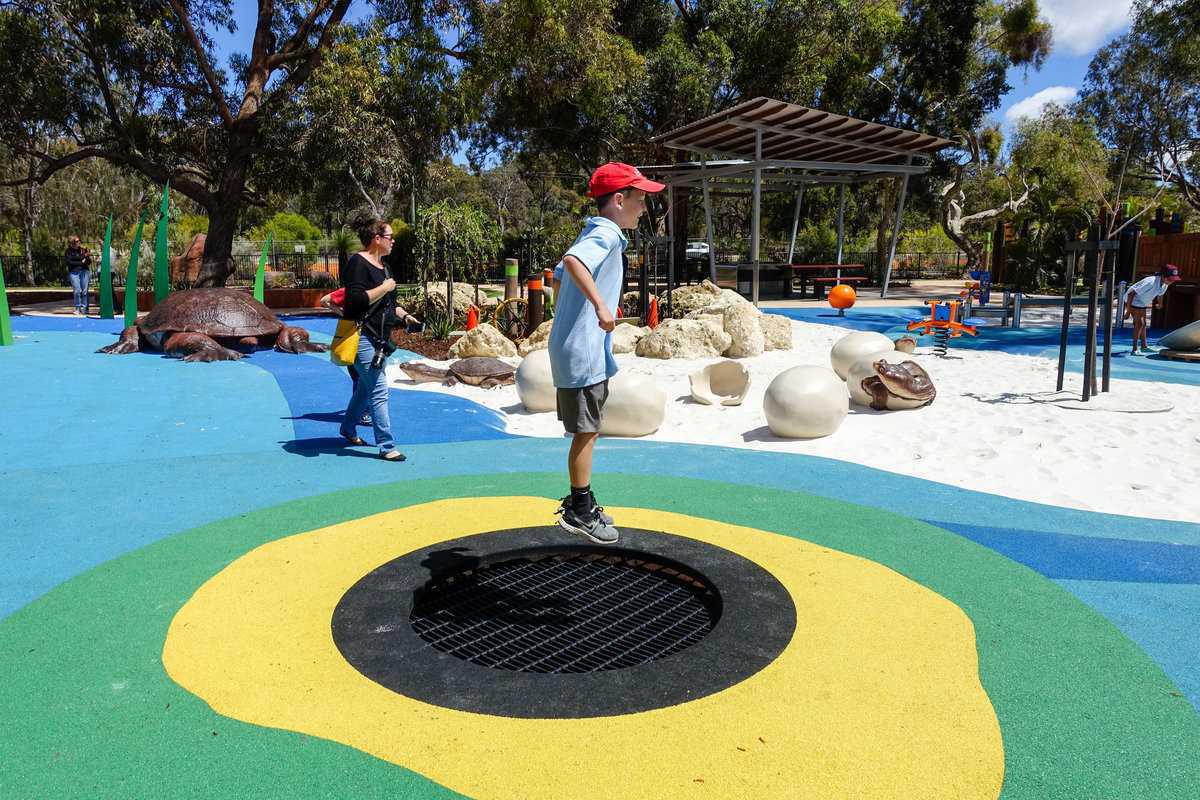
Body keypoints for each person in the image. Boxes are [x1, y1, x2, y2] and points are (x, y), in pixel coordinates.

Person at [548, 162, 664, 543]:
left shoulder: (592, 230)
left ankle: (582, 500)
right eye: (640, 200)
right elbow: (572, 263)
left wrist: (566, 318)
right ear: (619, 200)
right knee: (587, 431)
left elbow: (559, 277)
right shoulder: (607, 235)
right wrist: (599, 306)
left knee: (588, 429)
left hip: (577, 346)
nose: (644, 208)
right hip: (582, 352)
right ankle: (578, 510)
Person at [338, 217, 420, 462]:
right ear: (377, 239)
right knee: (379, 388)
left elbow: (389, 305)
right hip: (361, 335)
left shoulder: (385, 268)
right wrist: (384, 288)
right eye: (389, 237)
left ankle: (347, 428)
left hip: (380, 339)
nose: (393, 241)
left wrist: (405, 316)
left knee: (365, 389)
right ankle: (386, 445)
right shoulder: (357, 263)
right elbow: (354, 301)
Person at [1124, 264, 1182, 355]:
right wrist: (1128, 312)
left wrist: (1160, 303)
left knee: (1143, 324)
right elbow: (1131, 294)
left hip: (1142, 302)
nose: (1171, 282)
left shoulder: (1165, 284)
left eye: (1173, 280)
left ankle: (1144, 347)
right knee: (1140, 323)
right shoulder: (1150, 282)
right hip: (1133, 300)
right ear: (1162, 276)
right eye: (1170, 279)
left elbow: (1160, 294)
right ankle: (1134, 349)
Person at [64, 236, 93, 316]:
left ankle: (85, 309)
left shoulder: (83, 250)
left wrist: (85, 258)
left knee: (84, 291)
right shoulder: (68, 251)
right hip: (74, 272)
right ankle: (77, 308)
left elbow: (88, 262)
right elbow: (69, 262)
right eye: (76, 241)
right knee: (77, 291)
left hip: (84, 271)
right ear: (73, 242)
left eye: (79, 241)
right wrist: (82, 260)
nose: (78, 242)